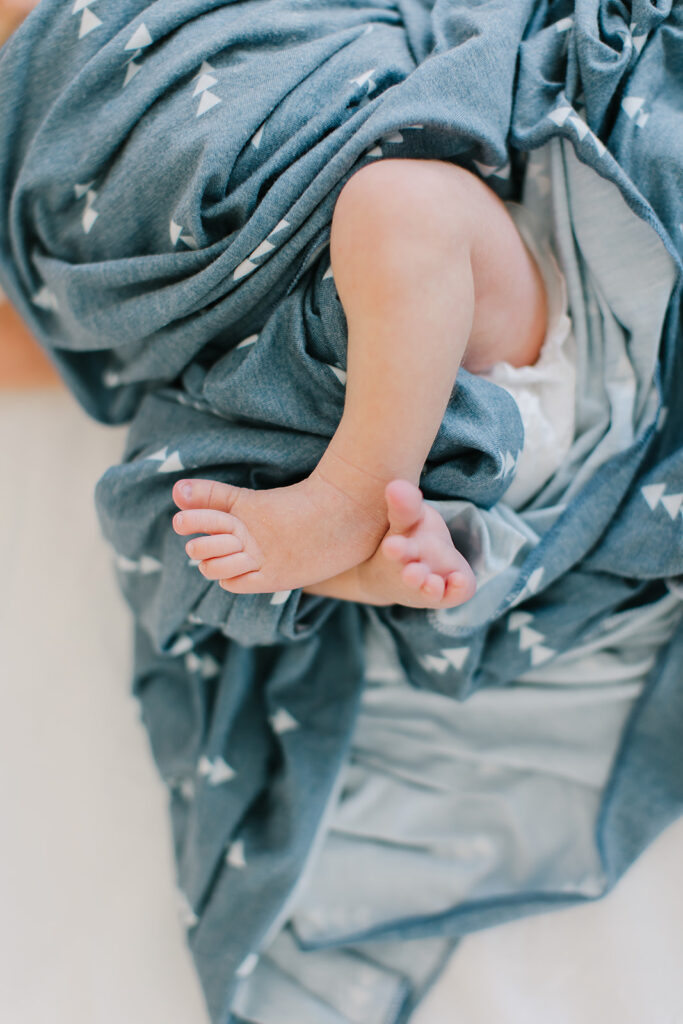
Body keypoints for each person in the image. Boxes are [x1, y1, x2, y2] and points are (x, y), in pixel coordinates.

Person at [171, 157, 548, 609]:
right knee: (200, 524)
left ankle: (353, 498)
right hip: (279, 426)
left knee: (404, 202)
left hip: (489, 351)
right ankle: (360, 547)